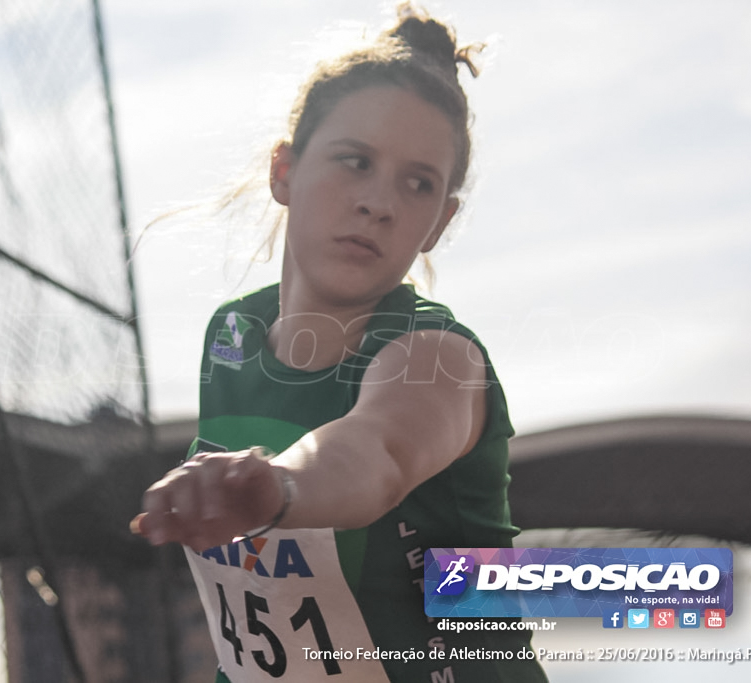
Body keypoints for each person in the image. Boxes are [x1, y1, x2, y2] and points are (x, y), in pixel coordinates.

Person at [132, 4, 548, 681]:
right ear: (284, 172)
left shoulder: (438, 355)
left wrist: (275, 485)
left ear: (439, 221)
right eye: (355, 161)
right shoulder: (229, 337)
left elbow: (372, 456)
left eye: (418, 184)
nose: (379, 202)